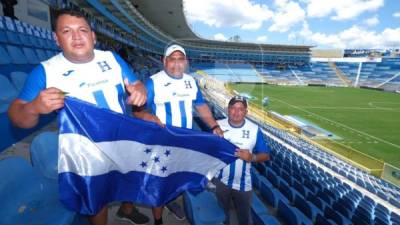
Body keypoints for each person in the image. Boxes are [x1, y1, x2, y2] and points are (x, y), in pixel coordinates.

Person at [7, 9, 149, 225]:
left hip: (122, 138)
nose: (76, 36)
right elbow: (17, 117)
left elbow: (136, 83)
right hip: (85, 153)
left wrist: (140, 91)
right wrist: (34, 107)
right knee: (97, 199)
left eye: (82, 30)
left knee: (130, 178)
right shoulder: (46, 72)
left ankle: (127, 210)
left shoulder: (111, 59)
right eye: (67, 31)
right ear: (56, 38)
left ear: (93, 36)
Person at [127, 44, 224, 225]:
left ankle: (170, 200)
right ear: (165, 61)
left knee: (177, 177)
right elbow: (136, 111)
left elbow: (200, 106)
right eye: (173, 59)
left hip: (184, 142)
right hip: (163, 144)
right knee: (160, 183)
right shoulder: (153, 82)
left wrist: (213, 126)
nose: (177, 64)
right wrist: (149, 116)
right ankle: (158, 221)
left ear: (186, 62)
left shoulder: (191, 81)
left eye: (181, 59)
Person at [214, 96, 270, 225]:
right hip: (221, 180)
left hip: (244, 183)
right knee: (222, 213)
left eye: (240, 109)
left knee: (244, 217)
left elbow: (266, 155)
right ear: (228, 110)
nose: (236, 112)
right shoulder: (217, 126)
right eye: (233, 108)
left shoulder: (254, 129)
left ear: (246, 112)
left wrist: (252, 157)